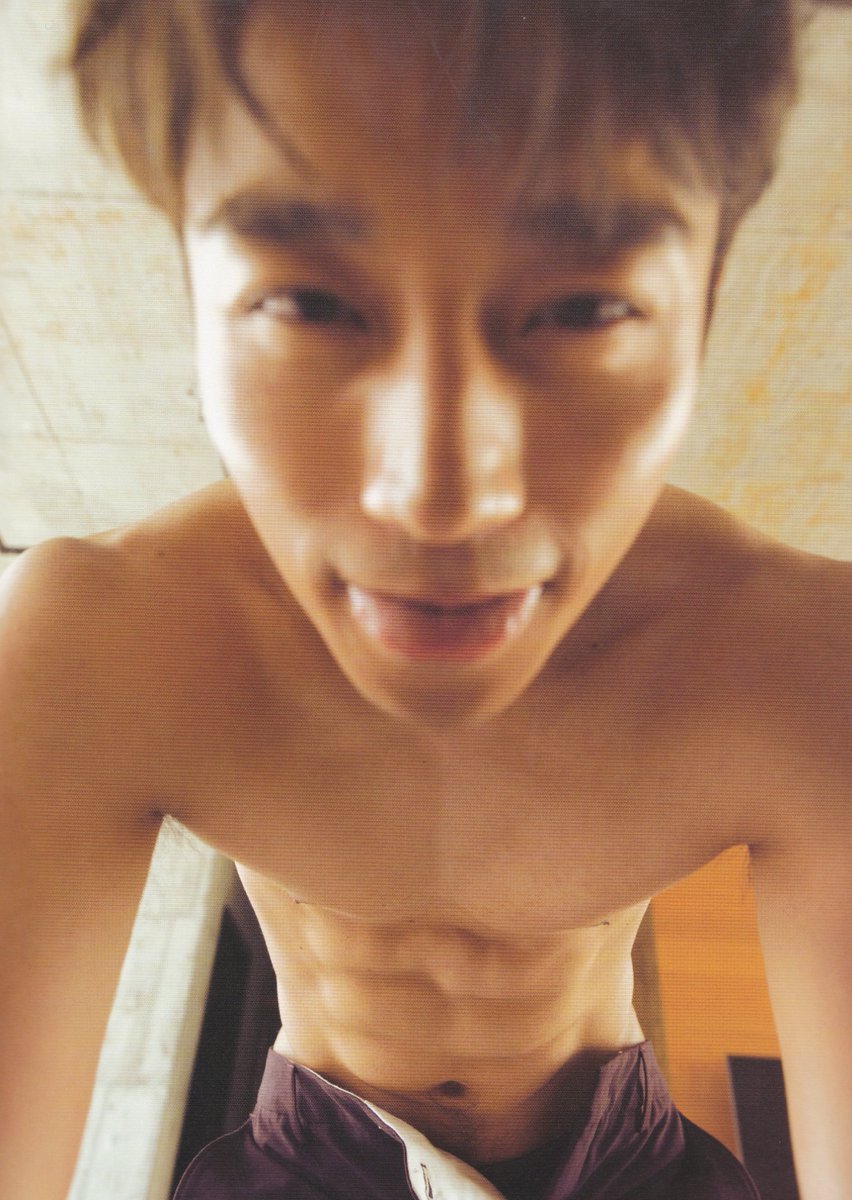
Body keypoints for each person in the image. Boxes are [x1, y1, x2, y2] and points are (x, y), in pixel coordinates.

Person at [0, 1, 849, 1197]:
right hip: (312, 1151)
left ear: (704, 314)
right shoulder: (105, 642)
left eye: (582, 307)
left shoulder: (801, 659)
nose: (440, 499)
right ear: (194, 305)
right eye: (310, 303)